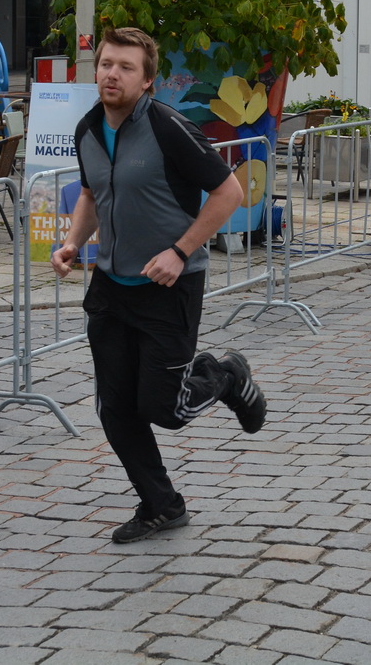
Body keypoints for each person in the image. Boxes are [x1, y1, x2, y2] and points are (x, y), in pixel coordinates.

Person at [52, 28, 259, 545]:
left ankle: (225, 374)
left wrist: (180, 250)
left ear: (147, 81)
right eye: (105, 64)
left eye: (125, 67)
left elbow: (229, 191)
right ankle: (161, 504)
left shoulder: (169, 128)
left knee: (164, 409)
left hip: (170, 287)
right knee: (115, 407)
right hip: (110, 288)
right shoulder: (88, 130)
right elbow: (94, 196)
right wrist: (73, 243)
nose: (111, 74)